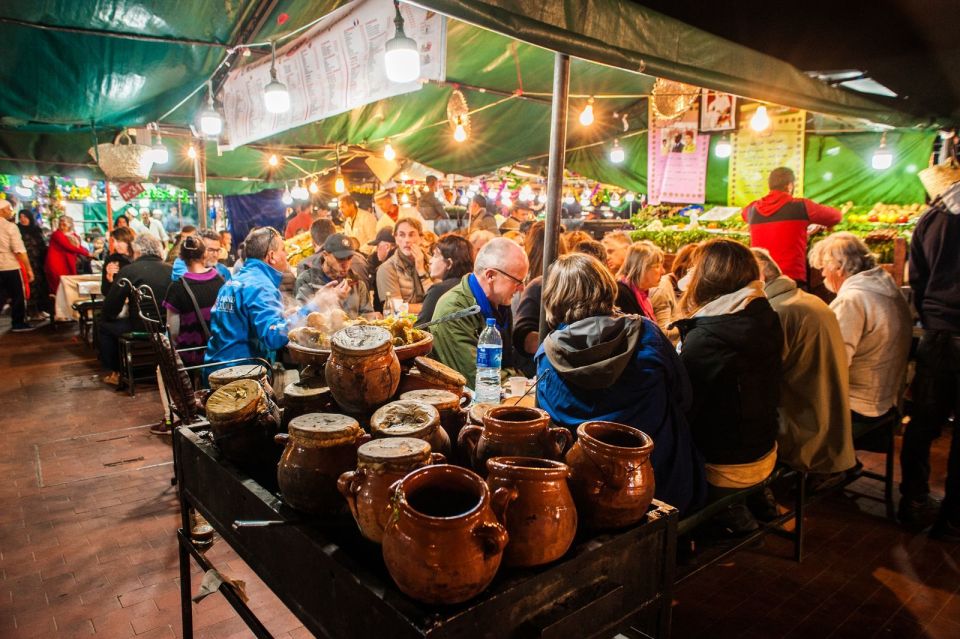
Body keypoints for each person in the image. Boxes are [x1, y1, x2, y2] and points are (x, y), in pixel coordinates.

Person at [536, 253, 707, 516]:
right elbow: (684, 396)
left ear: (554, 297)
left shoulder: (547, 355)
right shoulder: (647, 334)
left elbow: (546, 424)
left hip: (583, 494)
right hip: (661, 483)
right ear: (606, 287)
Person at [672, 239, 783, 534]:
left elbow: (685, 407)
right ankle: (751, 501)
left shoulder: (709, 337)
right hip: (764, 447)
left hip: (728, 465)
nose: (690, 274)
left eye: (694, 268)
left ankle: (726, 515)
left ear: (708, 277)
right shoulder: (762, 314)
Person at [752, 247, 855, 482]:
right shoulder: (808, 300)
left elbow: (760, 380)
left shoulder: (778, 311)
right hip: (829, 425)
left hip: (805, 434)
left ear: (760, 278)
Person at [808, 233, 912, 438]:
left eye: (823, 267)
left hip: (858, 405)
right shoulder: (888, 288)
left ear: (839, 267)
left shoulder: (852, 299)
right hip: (885, 399)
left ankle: (829, 459)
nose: (822, 274)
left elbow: (833, 362)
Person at [902, 176, 960, 539]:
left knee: (922, 422)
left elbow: (917, 277)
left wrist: (933, 316)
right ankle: (953, 519)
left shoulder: (934, 215)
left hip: (937, 333)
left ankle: (913, 501)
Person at [205, 227, 313, 372]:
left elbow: (245, 322)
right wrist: (311, 308)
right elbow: (273, 337)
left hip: (216, 367)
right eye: (283, 249)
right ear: (271, 256)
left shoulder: (234, 281)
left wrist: (282, 317)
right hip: (238, 375)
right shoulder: (261, 286)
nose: (286, 254)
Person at [430, 238, 529, 383]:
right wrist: (516, 378)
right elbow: (478, 377)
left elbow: (506, 362)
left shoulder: (500, 303)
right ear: (490, 276)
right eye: (517, 281)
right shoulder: (454, 309)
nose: (522, 288)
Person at [741, 167, 841, 287]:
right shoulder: (801, 206)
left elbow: (744, 214)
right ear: (789, 186)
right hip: (792, 279)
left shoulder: (752, 209)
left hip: (760, 277)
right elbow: (836, 216)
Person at [98, 234, 173, 386]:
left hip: (141, 326)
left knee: (103, 325)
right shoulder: (171, 270)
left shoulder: (129, 271)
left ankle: (116, 373)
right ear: (159, 251)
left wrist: (109, 315)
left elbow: (110, 308)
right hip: (169, 326)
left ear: (137, 251)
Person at [163, 235, 226, 367]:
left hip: (191, 359)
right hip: (220, 353)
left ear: (181, 257)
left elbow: (173, 332)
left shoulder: (177, 288)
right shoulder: (220, 280)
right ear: (204, 254)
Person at [294, 233, 373, 318]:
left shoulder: (357, 282)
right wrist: (327, 300)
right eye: (340, 259)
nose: (346, 265)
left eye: (349, 258)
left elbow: (367, 315)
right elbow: (299, 317)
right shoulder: (307, 280)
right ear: (325, 255)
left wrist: (372, 317)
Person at [375, 217, 432, 313]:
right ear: (396, 238)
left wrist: (421, 270)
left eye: (411, 235)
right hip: (403, 321)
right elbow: (395, 308)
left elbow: (440, 299)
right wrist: (428, 307)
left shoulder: (432, 262)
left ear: (421, 238)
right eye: (402, 235)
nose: (407, 240)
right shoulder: (387, 268)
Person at [0, 199, 37, 332]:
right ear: (2, 211)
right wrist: (28, 269)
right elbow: (19, 250)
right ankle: (18, 323)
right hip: (10, 265)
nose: (11, 211)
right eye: (9, 209)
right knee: (18, 295)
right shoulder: (10, 227)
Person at [419, 234, 473, 323]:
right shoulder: (470, 284)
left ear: (449, 263)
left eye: (435, 256)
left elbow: (420, 327)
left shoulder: (438, 290)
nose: (430, 261)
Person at [615, 241, 667, 324]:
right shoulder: (621, 294)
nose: (663, 271)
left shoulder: (642, 293)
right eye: (657, 266)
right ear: (642, 267)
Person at [44, 215, 90, 296]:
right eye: (60, 224)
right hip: (57, 264)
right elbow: (69, 246)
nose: (62, 227)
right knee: (59, 286)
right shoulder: (57, 234)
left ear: (70, 225)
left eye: (64, 225)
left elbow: (78, 246)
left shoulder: (73, 235)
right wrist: (86, 253)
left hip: (68, 262)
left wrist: (87, 252)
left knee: (68, 286)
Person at [17, 210, 48, 318]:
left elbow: (42, 245)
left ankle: (40, 309)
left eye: (25, 216)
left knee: (40, 285)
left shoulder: (36, 230)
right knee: (30, 286)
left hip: (38, 262)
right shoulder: (18, 230)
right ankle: (31, 311)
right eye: (21, 217)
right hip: (25, 262)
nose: (23, 219)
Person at [101, 226, 136, 296]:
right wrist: (109, 279)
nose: (115, 245)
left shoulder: (140, 258)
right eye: (114, 241)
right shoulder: (111, 260)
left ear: (129, 241)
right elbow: (105, 291)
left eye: (119, 241)